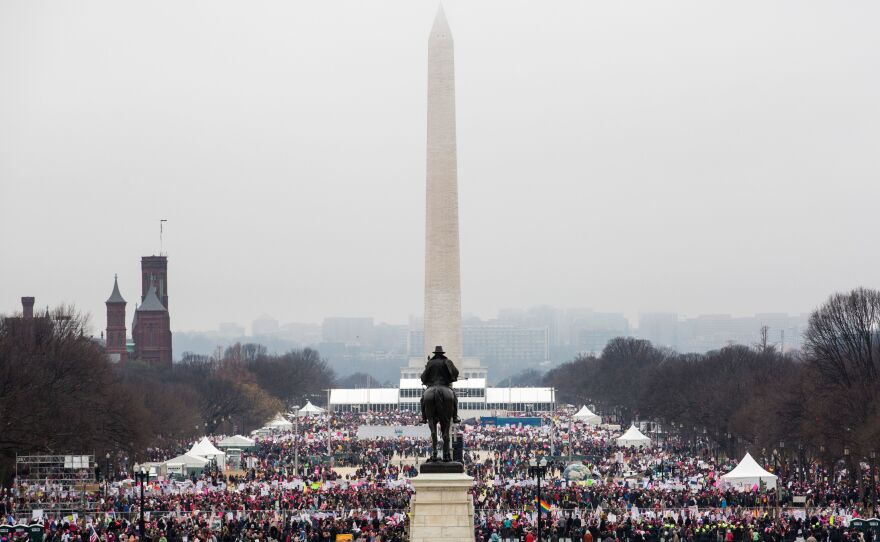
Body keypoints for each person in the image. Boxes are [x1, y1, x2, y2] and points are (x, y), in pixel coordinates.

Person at [419, 345, 460, 424]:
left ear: (435, 354)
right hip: (444, 385)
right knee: (454, 398)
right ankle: (455, 417)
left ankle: (424, 417)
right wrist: (452, 377)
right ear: (442, 354)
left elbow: (423, 376)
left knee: (422, 400)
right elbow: (456, 372)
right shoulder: (447, 361)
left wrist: (425, 380)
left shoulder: (430, 362)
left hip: (432, 386)